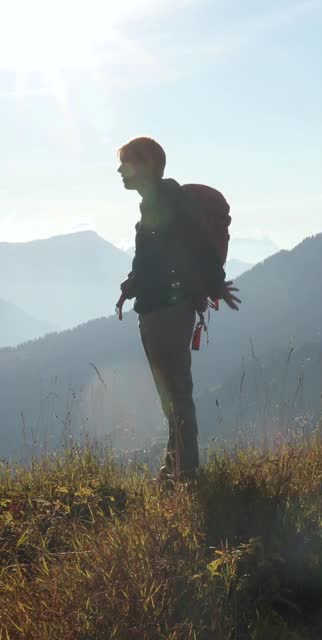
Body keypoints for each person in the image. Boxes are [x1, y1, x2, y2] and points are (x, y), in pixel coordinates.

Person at [114, 136, 240, 481]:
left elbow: (198, 247)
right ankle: (176, 469)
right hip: (159, 308)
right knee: (172, 396)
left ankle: (185, 473)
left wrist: (215, 285)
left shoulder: (170, 203)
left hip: (167, 311)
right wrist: (133, 284)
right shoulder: (158, 203)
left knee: (177, 395)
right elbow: (158, 258)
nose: (121, 170)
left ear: (151, 164)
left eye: (129, 162)